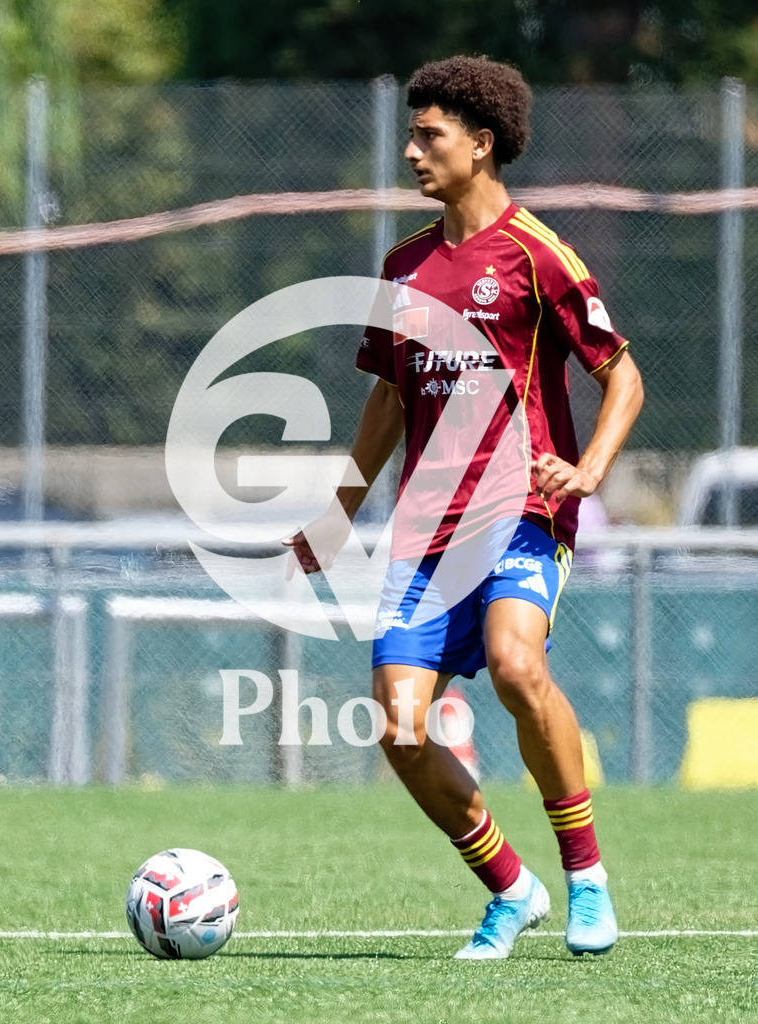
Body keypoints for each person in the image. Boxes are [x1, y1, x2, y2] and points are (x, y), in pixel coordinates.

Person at [284, 54, 643, 960]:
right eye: (411, 134)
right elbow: (388, 402)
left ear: (480, 146)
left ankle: (587, 879)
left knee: (517, 668)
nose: (411, 151)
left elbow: (621, 375)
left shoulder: (537, 255)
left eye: (428, 135)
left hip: (521, 516)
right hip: (423, 537)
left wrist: (589, 468)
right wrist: (336, 515)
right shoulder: (403, 265)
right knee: (400, 728)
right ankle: (511, 891)